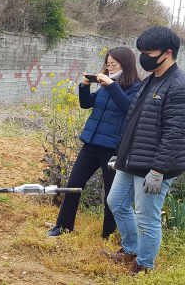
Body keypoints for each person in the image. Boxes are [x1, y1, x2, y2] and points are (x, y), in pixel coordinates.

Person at [102, 27, 185, 274]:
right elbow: (134, 120)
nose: (143, 58)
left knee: (146, 218)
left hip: (155, 166)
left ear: (168, 53)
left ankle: (144, 266)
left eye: (148, 53)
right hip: (131, 159)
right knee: (116, 202)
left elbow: (176, 134)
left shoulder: (178, 86)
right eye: (142, 52)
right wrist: (122, 152)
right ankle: (130, 250)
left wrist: (158, 170)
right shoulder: (150, 79)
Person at [46, 47, 141, 239]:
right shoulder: (105, 85)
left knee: (111, 194)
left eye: (114, 65)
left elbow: (128, 110)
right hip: (91, 143)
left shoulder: (137, 88)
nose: (109, 68)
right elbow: (86, 104)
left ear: (126, 65)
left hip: (113, 148)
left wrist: (112, 86)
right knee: (74, 184)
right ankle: (63, 227)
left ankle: (109, 235)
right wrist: (85, 86)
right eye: (107, 64)